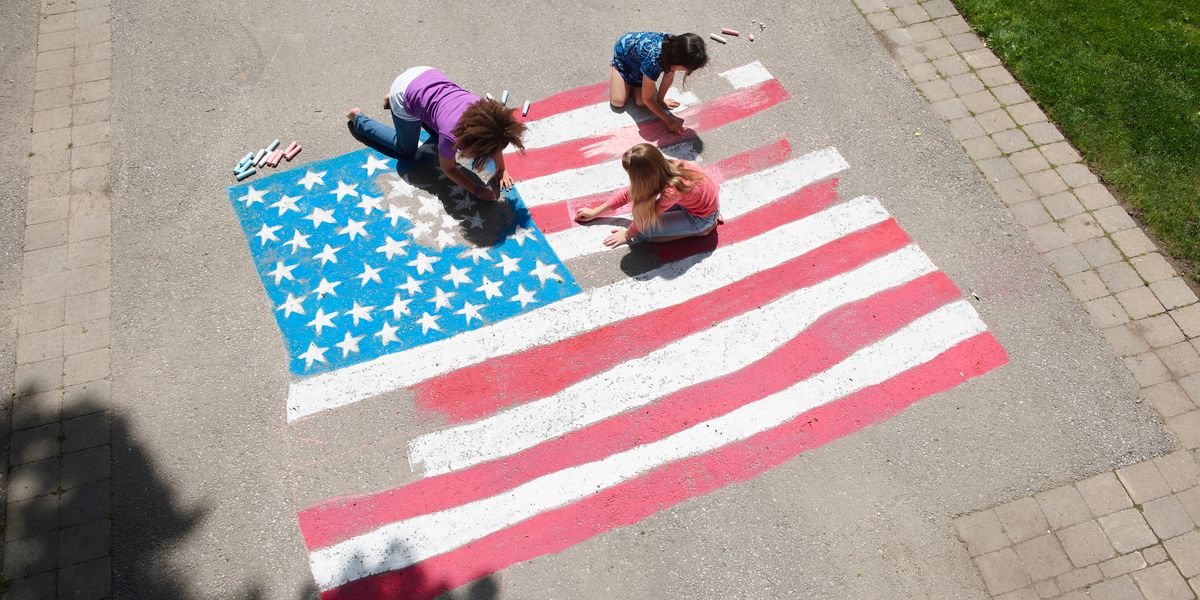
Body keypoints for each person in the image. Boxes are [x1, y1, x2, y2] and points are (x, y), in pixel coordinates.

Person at [346, 67, 526, 201]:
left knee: (432, 119)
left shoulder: (484, 113)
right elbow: (449, 168)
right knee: (405, 149)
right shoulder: (450, 136)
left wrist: (501, 169)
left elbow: (494, 139)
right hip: (404, 93)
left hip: (426, 75)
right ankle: (359, 119)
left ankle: (392, 99)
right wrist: (476, 190)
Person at [575, 143, 720, 248]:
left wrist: (627, 235)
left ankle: (702, 231)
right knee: (640, 220)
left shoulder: (671, 191)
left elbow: (646, 218)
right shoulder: (668, 165)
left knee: (645, 234)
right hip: (700, 204)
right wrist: (595, 212)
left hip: (700, 218)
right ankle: (707, 220)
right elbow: (629, 193)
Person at [609, 32, 709, 134]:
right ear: (678, 60)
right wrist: (668, 120)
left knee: (641, 102)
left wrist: (660, 101)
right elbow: (647, 99)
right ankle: (619, 70)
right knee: (618, 101)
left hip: (640, 63)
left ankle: (636, 81)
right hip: (624, 58)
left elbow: (669, 75)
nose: (685, 70)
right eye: (686, 67)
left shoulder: (674, 49)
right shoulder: (653, 61)